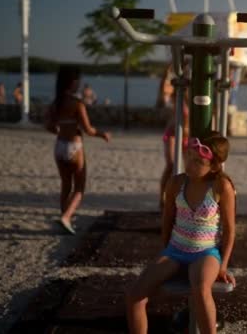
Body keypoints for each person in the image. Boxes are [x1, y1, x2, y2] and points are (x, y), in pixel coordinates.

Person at [126, 132, 236, 334]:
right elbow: (167, 219)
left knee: (201, 291)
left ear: (214, 166)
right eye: (189, 157)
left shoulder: (222, 186)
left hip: (205, 254)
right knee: (135, 295)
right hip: (175, 250)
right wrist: (165, 250)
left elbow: (230, 230)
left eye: (198, 161)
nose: (190, 164)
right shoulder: (176, 183)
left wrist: (223, 266)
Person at [44, 65, 111, 235]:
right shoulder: (77, 104)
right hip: (74, 147)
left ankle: (64, 220)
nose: (79, 83)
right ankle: (67, 217)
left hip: (59, 146)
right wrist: (103, 134)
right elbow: (88, 130)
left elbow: (49, 126)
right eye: (78, 80)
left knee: (66, 185)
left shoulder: (55, 103)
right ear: (72, 82)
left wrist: (62, 129)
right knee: (79, 188)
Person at [159, 103, 189, 210]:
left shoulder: (194, 97)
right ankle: (162, 196)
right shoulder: (177, 96)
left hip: (187, 135)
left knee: (190, 169)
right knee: (171, 165)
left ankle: (186, 199)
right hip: (173, 134)